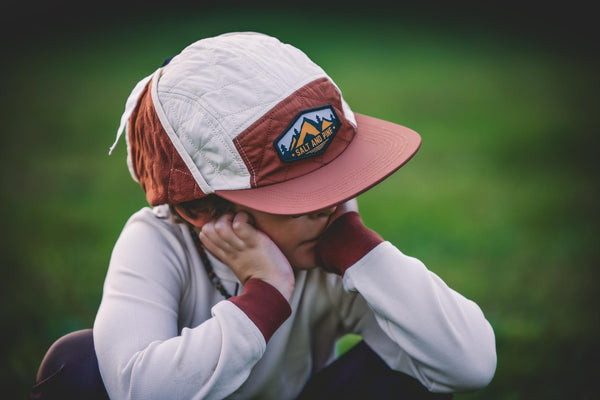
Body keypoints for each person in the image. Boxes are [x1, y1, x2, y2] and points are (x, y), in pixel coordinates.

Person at [30, 32, 496, 400]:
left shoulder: (334, 250)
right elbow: (139, 390)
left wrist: (361, 249)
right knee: (77, 365)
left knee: (420, 357)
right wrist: (266, 293)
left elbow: (469, 364)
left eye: (338, 181)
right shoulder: (158, 242)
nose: (335, 207)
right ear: (202, 209)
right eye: (303, 201)